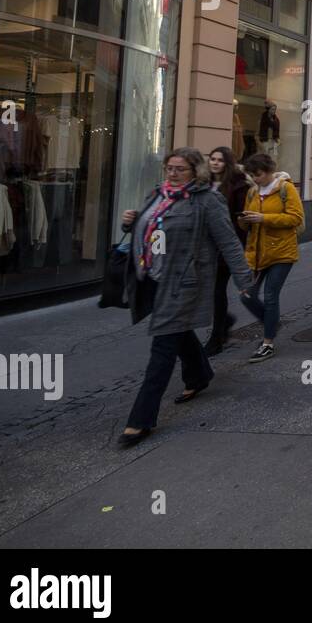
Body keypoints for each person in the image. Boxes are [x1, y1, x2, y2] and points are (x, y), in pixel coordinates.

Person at [117, 148, 260, 448]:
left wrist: (245, 280)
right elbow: (148, 230)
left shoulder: (207, 200)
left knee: (163, 345)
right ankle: (198, 374)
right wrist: (131, 222)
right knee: (178, 333)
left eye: (180, 169)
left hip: (184, 282)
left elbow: (229, 241)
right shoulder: (157, 194)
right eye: (169, 167)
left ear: (196, 172)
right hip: (154, 279)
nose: (172, 173)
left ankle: (140, 419)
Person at [240, 153, 304, 362]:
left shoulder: (286, 188)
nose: (255, 178)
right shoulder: (252, 192)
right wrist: (245, 220)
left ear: (268, 171)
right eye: (252, 175)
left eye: (257, 174)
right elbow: (247, 222)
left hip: (281, 252)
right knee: (246, 295)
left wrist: (263, 218)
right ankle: (272, 321)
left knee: (270, 295)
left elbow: (296, 218)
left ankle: (268, 343)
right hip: (257, 252)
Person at [205, 146, 250, 356]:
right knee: (211, 291)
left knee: (217, 290)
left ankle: (216, 338)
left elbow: (241, 219)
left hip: (226, 245)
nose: (214, 163)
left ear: (228, 163)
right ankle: (224, 322)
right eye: (212, 159)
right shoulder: (203, 184)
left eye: (220, 160)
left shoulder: (238, 186)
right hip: (206, 247)